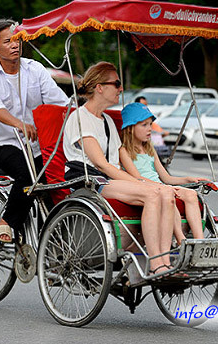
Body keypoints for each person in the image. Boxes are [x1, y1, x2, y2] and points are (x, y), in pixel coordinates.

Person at [63, 61, 180, 273]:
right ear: (100, 87)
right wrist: (139, 183)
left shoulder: (107, 120)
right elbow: (101, 164)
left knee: (164, 192)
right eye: (116, 84)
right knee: (152, 194)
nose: (121, 89)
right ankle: (156, 264)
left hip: (110, 179)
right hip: (91, 180)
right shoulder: (80, 118)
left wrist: (147, 181)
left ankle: (165, 262)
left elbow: (121, 157)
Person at [0, 18, 69, 243]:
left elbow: (59, 102)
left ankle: (52, 246)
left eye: (18, 40)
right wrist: (20, 124)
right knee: (29, 176)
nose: (15, 45)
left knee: (59, 182)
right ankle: (5, 223)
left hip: (38, 145)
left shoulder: (34, 69)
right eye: (8, 41)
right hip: (3, 144)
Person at [120, 102, 205, 244]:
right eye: (144, 125)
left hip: (161, 185)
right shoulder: (123, 151)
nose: (150, 129)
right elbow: (137, 178)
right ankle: (181, 241)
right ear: (130, 128)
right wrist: (166, 188)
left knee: (191, 194)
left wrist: (188, 179)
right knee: (169, 196)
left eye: (150, 124)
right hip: (143, 188)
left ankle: (200, 242)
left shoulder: (149, 148)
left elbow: (166, 177)